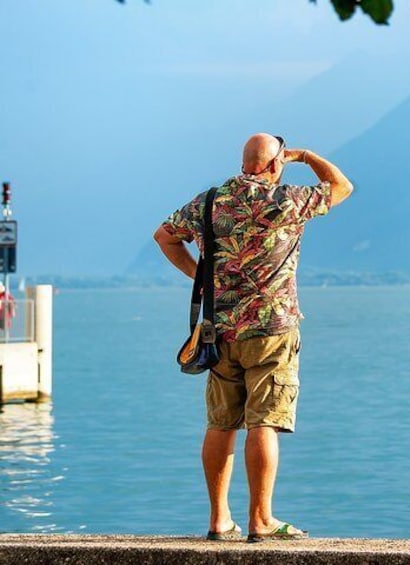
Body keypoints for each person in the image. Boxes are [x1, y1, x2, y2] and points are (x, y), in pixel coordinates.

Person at [153, 133, 353, 542]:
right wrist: (307, 156)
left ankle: (219, 520)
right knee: (265, 421)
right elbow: (341, 187)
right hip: (272, 331)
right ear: (277, 164)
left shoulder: (211, 201)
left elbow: (165, 236)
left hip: (220, 331)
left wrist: (201, 277)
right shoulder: (287, 200)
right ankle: (261, 520)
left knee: (220, 423)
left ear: (244, 162)